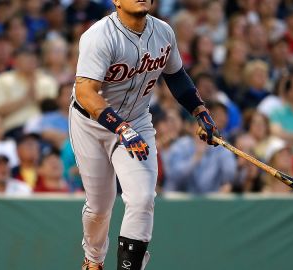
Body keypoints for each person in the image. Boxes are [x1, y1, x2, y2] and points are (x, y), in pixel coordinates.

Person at [69, 1, 220, 269]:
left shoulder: (163, 31)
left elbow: (176, 75)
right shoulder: (99, 35)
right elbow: (85, 92)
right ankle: (93, 260)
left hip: (136, 119)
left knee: (142, 199)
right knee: (100, 207)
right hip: (91, 124)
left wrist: (200, 111)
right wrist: (120, 127)